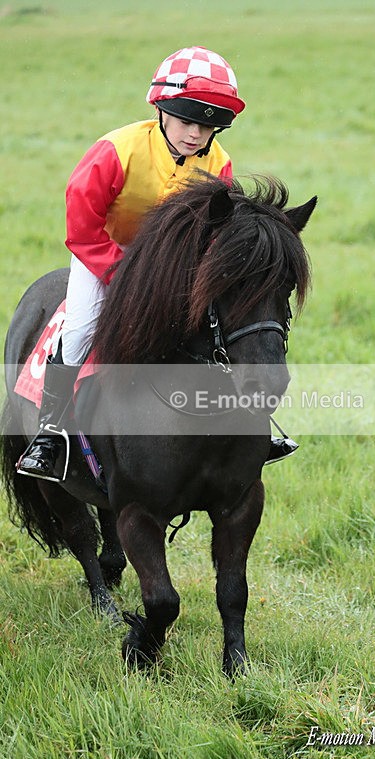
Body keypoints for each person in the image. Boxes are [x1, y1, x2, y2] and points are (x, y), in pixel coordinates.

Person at [18, 45, 296, 480]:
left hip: (171, 265)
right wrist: (123, 273)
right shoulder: (116, 149)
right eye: (188, 120)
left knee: (216, 322)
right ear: (162, 109)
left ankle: (248, 427)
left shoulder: (220, 164)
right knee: (79, 327)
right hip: (103, 254)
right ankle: (51, 430)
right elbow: (82, 226)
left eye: (208, 126)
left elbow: (212, 231)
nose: (196, 135)